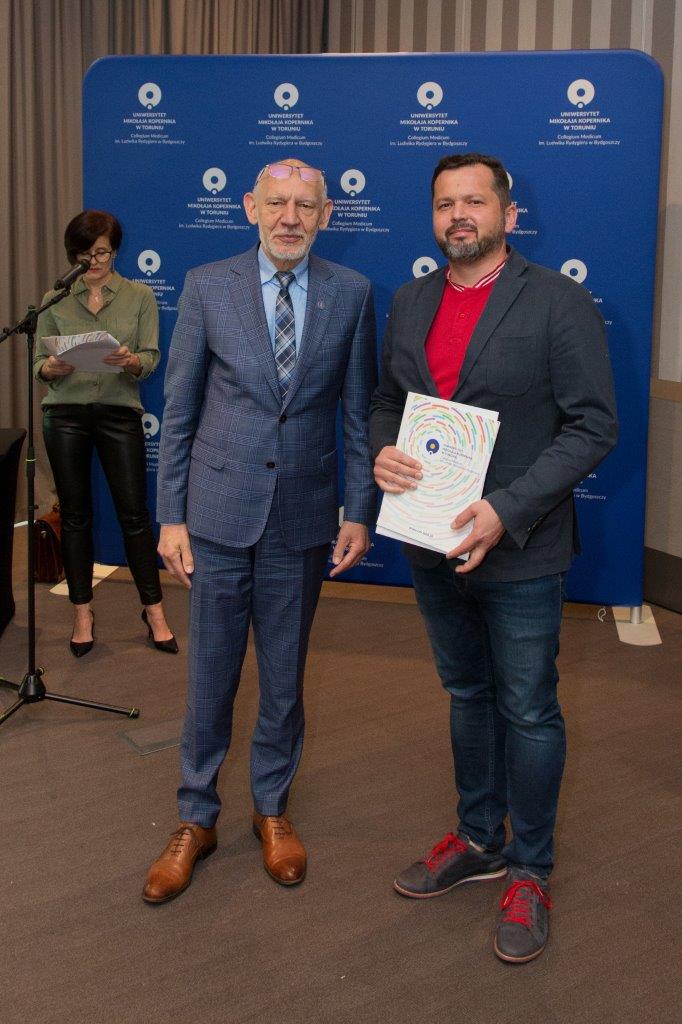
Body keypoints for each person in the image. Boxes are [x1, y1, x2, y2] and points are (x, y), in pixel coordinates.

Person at [369, 153, 617, 963]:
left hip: (520, 549)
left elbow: (593, 426)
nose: (458, 215)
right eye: (445, 203)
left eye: (474, 201)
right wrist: (381, 452)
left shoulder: (558, 301)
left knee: (529, 709)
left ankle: (531, 868)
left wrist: (506, 510)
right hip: (431, 541)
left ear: (509, 215)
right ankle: (480, 838)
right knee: (467, 692)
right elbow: (386, 403)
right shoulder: (411, 301)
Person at [143, 158, 377, 903]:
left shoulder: (352, 293)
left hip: (302, 520)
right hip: (216, 516)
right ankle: (195, 816)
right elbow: (179, 410)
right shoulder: (207, 285)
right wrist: (171, 515)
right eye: (276, 203)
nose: (289, 218)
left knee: (283, 679)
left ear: (327, 215)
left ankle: (271, 808)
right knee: (210, 675)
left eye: (304, 206)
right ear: (249, 207)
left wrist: (358, 509)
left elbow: (356, 414)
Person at [34, 210, 177, 658]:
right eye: (83, 254)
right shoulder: (54, 300)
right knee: (75, 516)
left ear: (115, 251)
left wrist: (131, 361)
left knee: (134, 516)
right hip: (65, 414)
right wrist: (50, 367)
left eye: (101, 252)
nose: (92, 262)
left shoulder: (139, 296)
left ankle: (154, 611)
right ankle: (82, 613)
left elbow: (150, 359)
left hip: (119, 413)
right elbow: (39, 363)